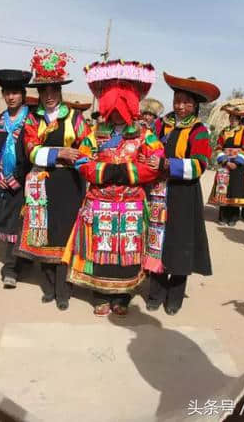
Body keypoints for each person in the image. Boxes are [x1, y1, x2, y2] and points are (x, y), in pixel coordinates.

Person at [63, 60, 162, 316]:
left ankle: (123, 295)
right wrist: (105, 171)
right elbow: (82, 159)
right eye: (113, 108)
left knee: (127, 248)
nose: (117, 113)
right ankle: (99, 294)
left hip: (131, 203)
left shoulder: (144, 134)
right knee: (100, 246)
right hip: (100, 200)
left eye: (122, 106)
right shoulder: (95, 132)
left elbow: (155, 163)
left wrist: (127, 172)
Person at [14, 48, 89, 310]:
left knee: (65, 234)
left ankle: (64, 290)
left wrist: (76, 157)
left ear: (60, 92)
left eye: (53, 91)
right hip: (42, 182)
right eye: (43, 91)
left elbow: (87, 149)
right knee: (43, 232)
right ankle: (47, 287)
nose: (48, 96)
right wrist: (60, 152)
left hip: (69, 184)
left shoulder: (76, 118)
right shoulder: (33, 119)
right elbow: (31, 150)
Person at [144, 73, 218, 315]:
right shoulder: (160, 124)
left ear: (195, 105)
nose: (180, 106)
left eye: (186, 102)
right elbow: (148, 147)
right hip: (158, 191)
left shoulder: (199, 130)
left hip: (184, 194)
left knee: (179, 243)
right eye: (177, 100)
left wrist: (166, 165)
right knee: (156, 242)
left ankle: (174, 296)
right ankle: (155, 292)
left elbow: (199, 165)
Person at [0, 69, 34, 288]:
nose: (11, 97)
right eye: (7, 93)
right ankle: (10, 267)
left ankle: (18, 264)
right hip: (3, 184)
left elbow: (32, 154)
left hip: (26, 182)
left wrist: (17, 177)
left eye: (16, 92)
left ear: (23, 94)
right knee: (7, 226)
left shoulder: (32, 120)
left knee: (24, 223)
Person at [208, 105, 244, 226]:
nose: (232, 120)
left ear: (239, 120)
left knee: (235, 190)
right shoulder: (224, 131)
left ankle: (233, 217)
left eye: (235, 118)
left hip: (238, 166)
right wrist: (225, 161)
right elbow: (219, 147)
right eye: (231, 117)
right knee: (223, 189)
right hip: (225, 164)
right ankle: (222, 216)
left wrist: (236, 162)